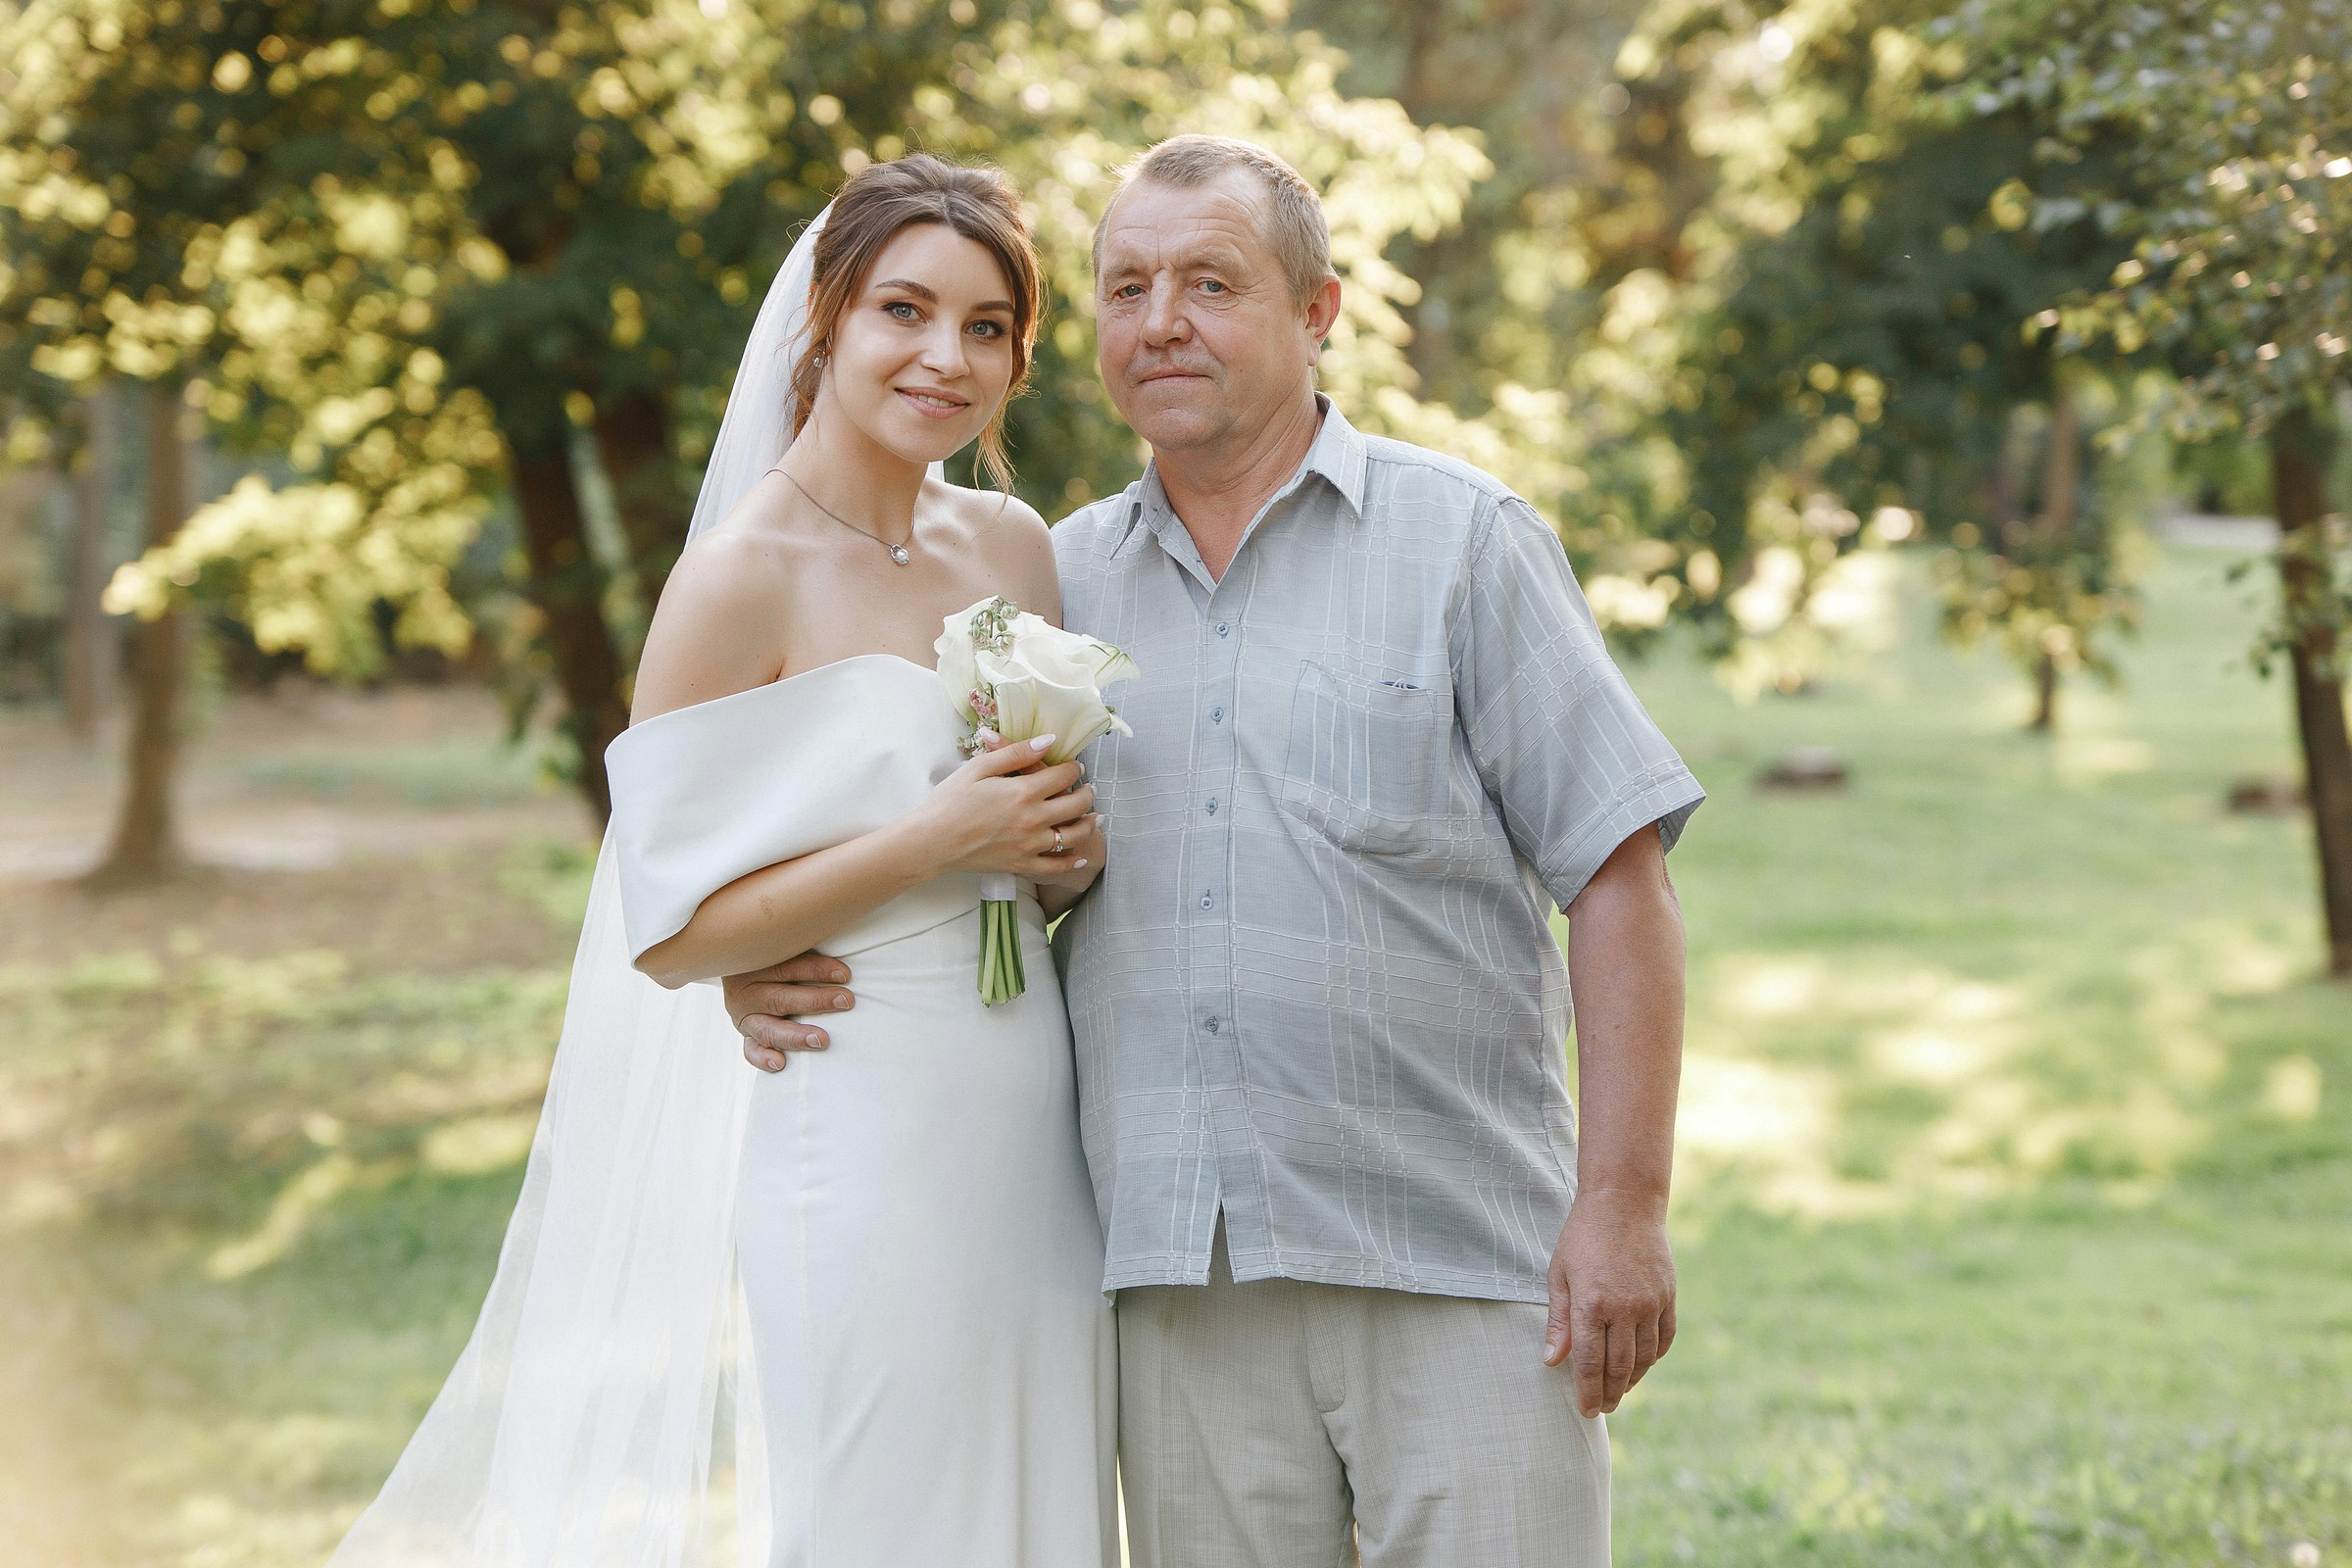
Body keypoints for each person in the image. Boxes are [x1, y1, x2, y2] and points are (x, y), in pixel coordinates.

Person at [731, 135, 1705, 1566]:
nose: (1162, 322)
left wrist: (1623, 1209)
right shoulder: (1048, 584)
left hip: (1458, 1265)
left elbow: (1621, 882)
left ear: (1317, 313)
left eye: (1211, 283)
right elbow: (965, 856)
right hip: (1178, 1290)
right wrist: (769, 963)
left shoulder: (1465, 543)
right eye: (1127, 288)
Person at [328, 155, 1117, 1568]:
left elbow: (1038, 865)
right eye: (904, 310)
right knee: (882, 1519)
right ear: (827, 317)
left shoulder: (1011, 546)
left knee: (1042, 1511)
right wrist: (932, 841)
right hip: (859, 1123)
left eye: (987, 326)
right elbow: (671, 930)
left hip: (1028, 1124)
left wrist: (1053, 851)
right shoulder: (739, 576)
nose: (946, 356)